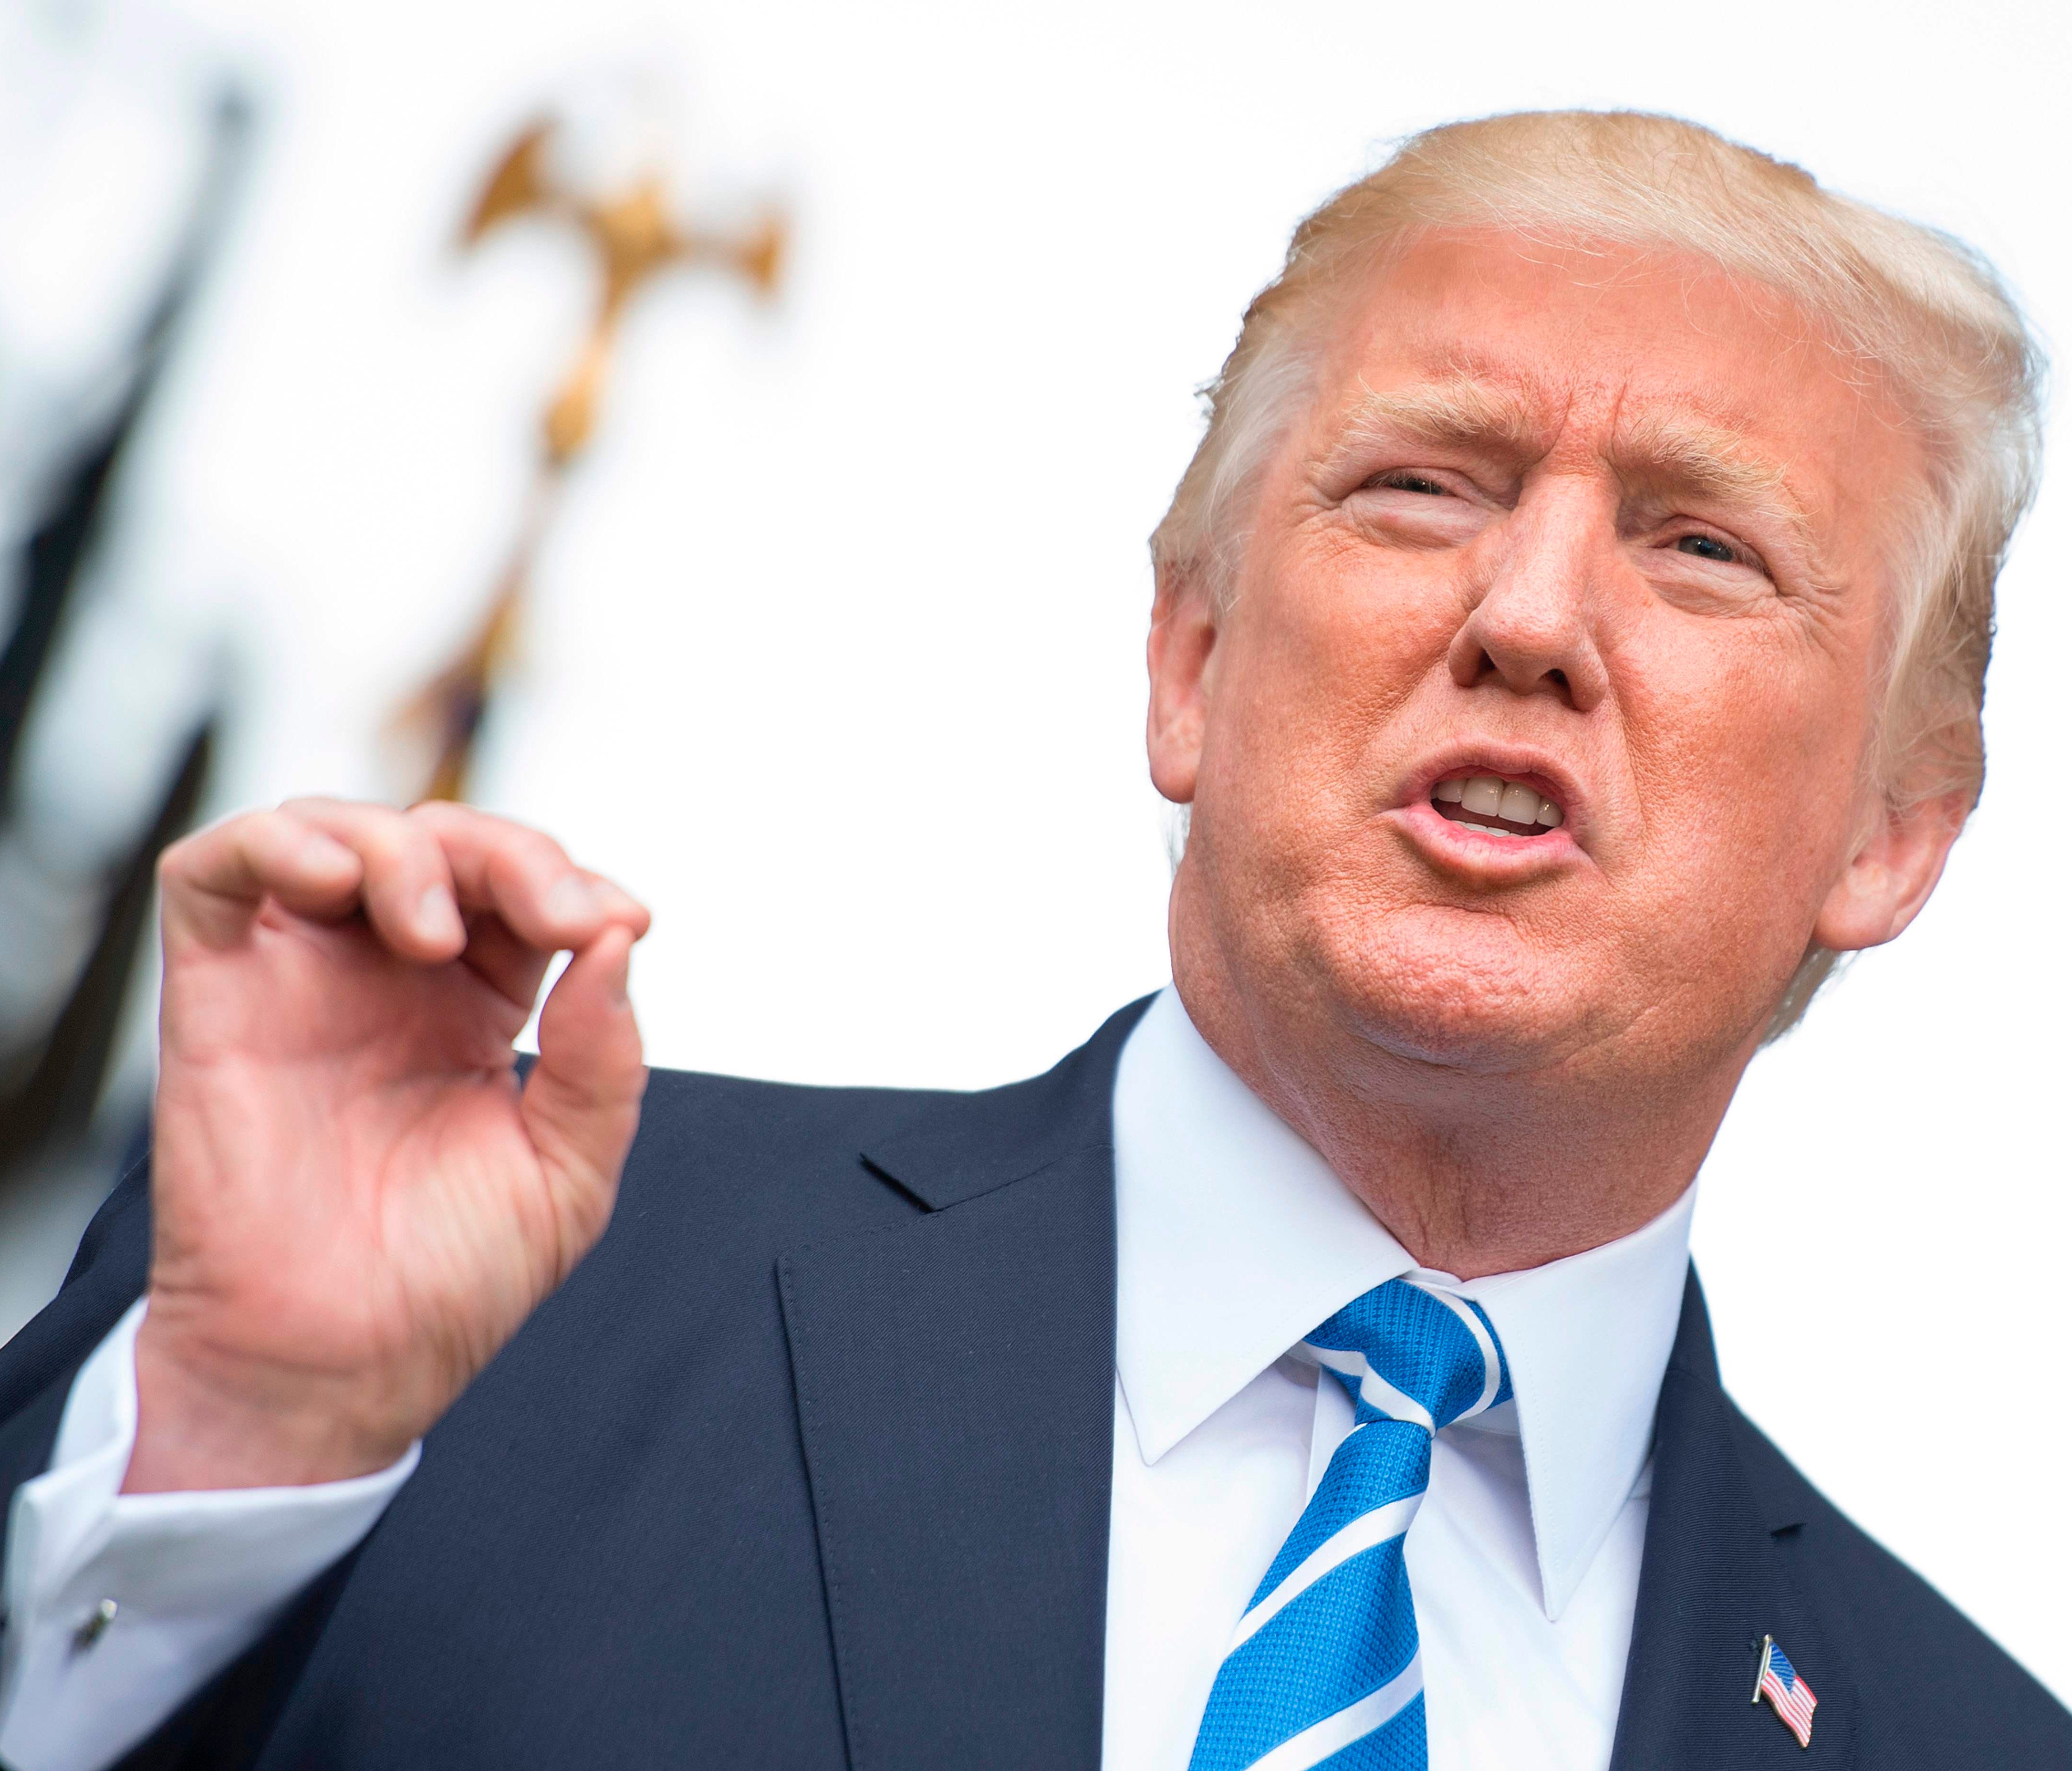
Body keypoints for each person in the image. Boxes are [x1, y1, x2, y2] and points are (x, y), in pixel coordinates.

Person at [0, 109, 2063, 1771]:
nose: (1527, 616)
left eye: (1701, 546)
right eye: (1425, 486)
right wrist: (230, 1459)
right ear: (1188, 663)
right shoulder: (480, 1306)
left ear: (1896, 833)